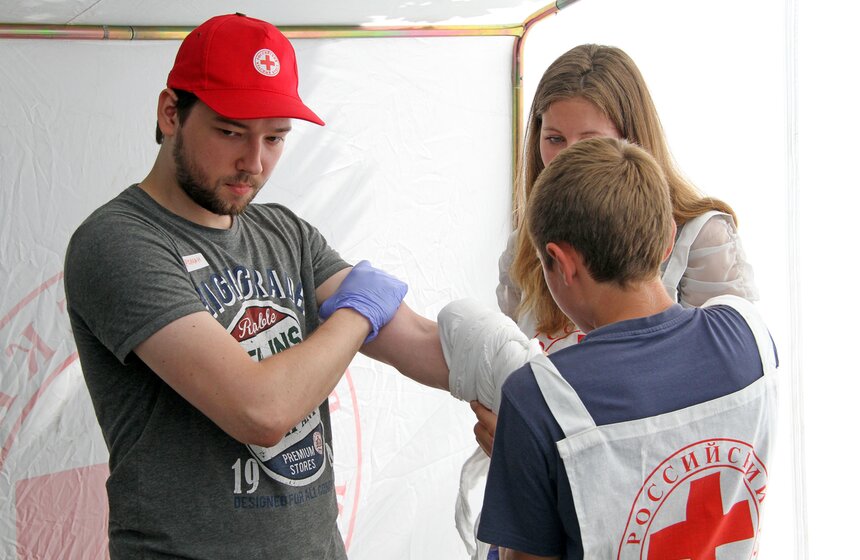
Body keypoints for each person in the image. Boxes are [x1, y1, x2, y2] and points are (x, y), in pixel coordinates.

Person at [64, 13, 448, 559]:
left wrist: (527, 378)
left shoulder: (285, 232)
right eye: (230, 132)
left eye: (275, 137)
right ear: (171, 112)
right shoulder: (118, 242)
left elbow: (415, 341)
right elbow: (261, 410)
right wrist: (360, 310)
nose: (255, 162)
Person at [476, 137, 778, 559]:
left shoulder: (538, 400)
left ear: (561, 263)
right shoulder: (751, 336)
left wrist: (527, 463)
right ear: (669, 238)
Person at [497, 43, 758, 355]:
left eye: (590, 141)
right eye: (555, 139)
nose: (569, 157)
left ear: (632, 141)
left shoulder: (701, 237)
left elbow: (728, 372)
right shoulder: (524, 247)